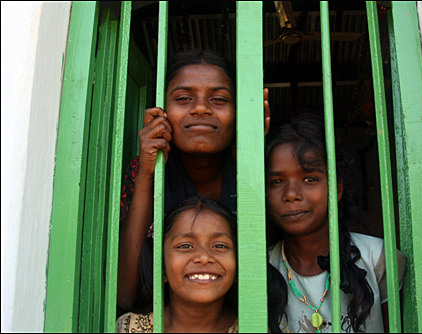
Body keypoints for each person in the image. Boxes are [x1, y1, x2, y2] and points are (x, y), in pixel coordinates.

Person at [118, 49, 270, 310]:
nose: (200, 108)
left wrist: (251, 163)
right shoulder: (145, 169)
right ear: (161, 110)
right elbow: (123, 295)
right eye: (184, 98)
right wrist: (146, 172)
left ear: (239, 111)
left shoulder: (263, 170)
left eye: (219, 99)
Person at [265, 112, 407, 333]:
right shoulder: (262, 268)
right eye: (276, 181)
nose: (291, 194)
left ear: (337, 188)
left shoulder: (379, 258)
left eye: (310, 179)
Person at [116, 197, 239, 333]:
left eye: (220, 246)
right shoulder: (132, 327)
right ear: (161, 267)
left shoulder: (254, 327)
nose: (204, 257)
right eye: (185, 246)